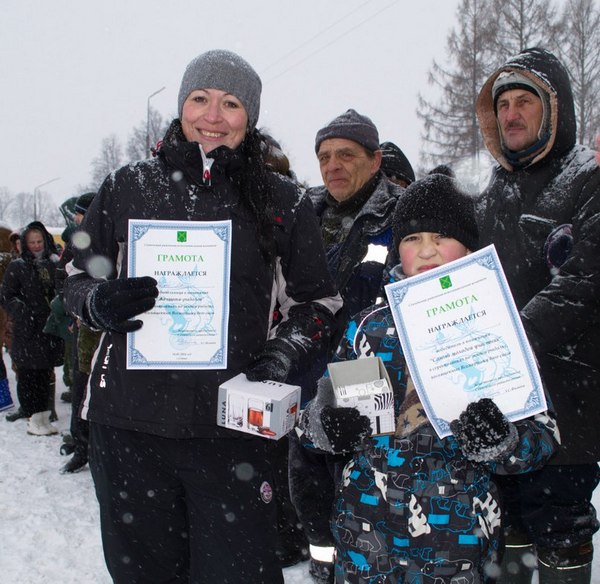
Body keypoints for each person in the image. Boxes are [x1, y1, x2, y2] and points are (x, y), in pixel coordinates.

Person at [63, 49, 342, 583]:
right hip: (129, 426)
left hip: (231, 432)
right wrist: (95, 302)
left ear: (250, 117)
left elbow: (320, 304)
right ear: (181, 106)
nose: (213, 116)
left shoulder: (281, 200)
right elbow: (74, 275)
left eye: (230, 103)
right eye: (200, 99)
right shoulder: (127, 186)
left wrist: (285, 350)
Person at [299, 173, 560, 583]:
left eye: (441, 236)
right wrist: (325, 424)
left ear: (469, 247)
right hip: (367, 538)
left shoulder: (499, 328)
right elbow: (313, 420)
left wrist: (503, 441)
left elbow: (543, 437)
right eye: (412, 238)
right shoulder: (369, 330)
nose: (426, 251)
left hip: (457, 543)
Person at [476, 47, 600, 583]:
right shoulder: (487, 198)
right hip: (502, 413)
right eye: (502, 105)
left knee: (562, 536)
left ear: (555, 110)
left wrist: (507, 338)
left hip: (569, 408)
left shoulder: (589, 180)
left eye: (524, 101)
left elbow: (585, 283)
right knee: (506, 534)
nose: (511, 115)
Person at [289, 109, 405, 583]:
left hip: (367, 372)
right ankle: (324, 566)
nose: (333, 165)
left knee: (363, 487)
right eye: (324, 157)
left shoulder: (401, 212)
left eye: (346, 155)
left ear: (376, 160)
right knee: (308, 484)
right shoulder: (302, 214)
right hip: (306, 368)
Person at [0, 221, 63, 433]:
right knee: (29, 374)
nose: (36, 245)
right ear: (24, 244)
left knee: (45, 372)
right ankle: (33, 418)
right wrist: (23, 311)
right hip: (27, 330)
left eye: (39, 241)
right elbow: (6, 295)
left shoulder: (54, 263)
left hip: (48, 328)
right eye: (32, 242)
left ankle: (44, 416)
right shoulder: (17, 266)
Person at [54, 192, 98, 474]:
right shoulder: (78, 242)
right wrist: (77, 310)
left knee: (101, 392)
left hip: (110, 332)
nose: (77, 219)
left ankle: (98, 446)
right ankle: (82, 447)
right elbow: (64, 278)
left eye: (80, 214)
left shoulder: (111, 237)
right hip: (86, 329)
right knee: (82, 389)